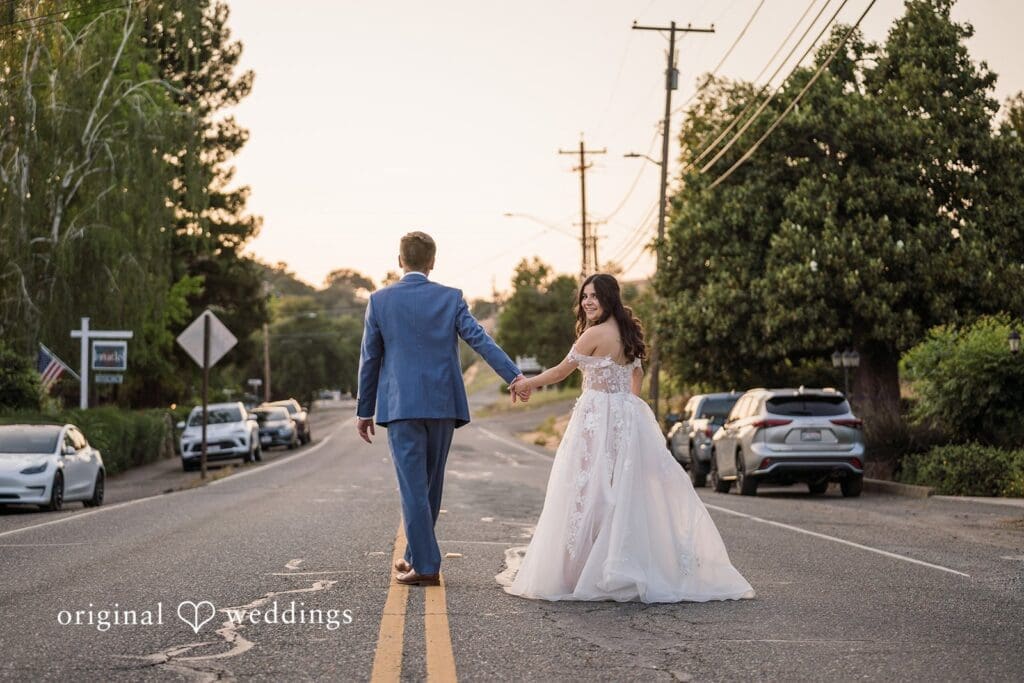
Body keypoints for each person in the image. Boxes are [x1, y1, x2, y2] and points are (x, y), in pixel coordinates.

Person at [504, 273, 754, 602]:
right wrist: (628, 414)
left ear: (609, 298)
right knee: (621, 494)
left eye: (594, 296)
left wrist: (526, 384)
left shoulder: (593, 335)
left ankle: (575, 574)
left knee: (585, 492)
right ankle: (612, 565)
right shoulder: (629, 334)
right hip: (626, 417)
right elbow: (634, 382)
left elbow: (561, 372)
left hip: (596, 418)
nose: (587, 302)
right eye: (584, 296)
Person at [357, 231, 531, 586]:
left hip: (401, 406)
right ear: (432, 262)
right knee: (430, 486)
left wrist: (364, 409)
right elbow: (480, 339)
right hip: (442, 403)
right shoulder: (450, 298)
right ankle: (414, 556)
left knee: (413, 488)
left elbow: (370, 358)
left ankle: (426, 566)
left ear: (399, 260)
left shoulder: (379, 301)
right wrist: (513, 375)